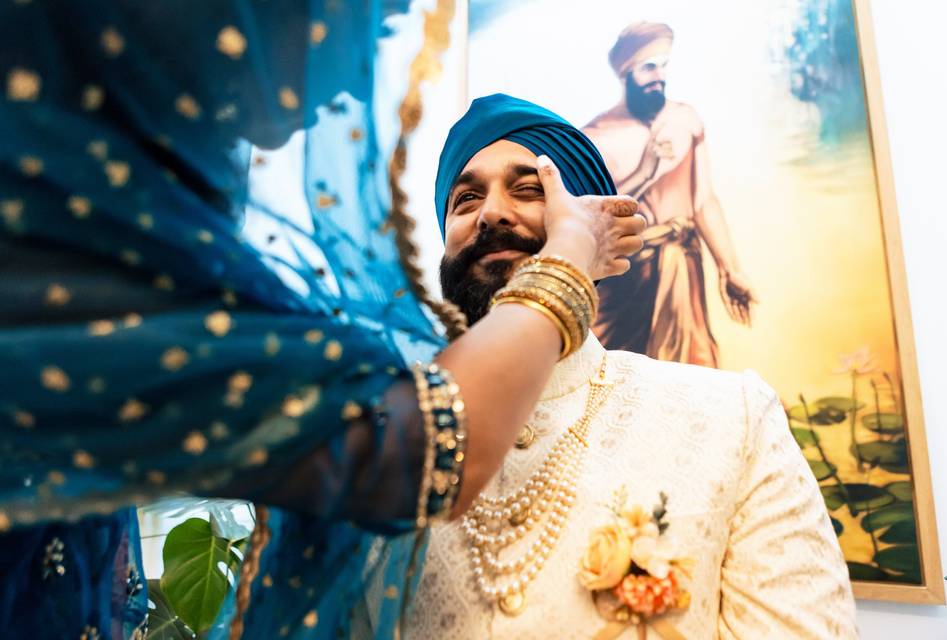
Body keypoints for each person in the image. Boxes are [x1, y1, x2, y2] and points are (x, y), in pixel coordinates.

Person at [0, 3, 642, 639]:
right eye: (369, 21)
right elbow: (414, 450)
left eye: (531, 189)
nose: (353, 67)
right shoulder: (72, 220)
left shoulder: (727, 415)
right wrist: (567, 258)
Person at [384, 94, 858, 639]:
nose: (491, 212)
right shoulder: (394, 434)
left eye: (530, 189)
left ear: (594, 227)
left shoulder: (734, 419)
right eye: (465, 199)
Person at [583, 22, 756, 368]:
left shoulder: (685, 119)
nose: (658, 75)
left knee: (693, 369)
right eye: (648, 66)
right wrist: (646, 171)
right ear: (625, 72)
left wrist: (729, 269)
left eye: (663, 65)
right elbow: (594, 218)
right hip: (629, 279)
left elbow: (703, 201)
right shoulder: (596, 135)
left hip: (683, 266)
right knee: (624, 373)